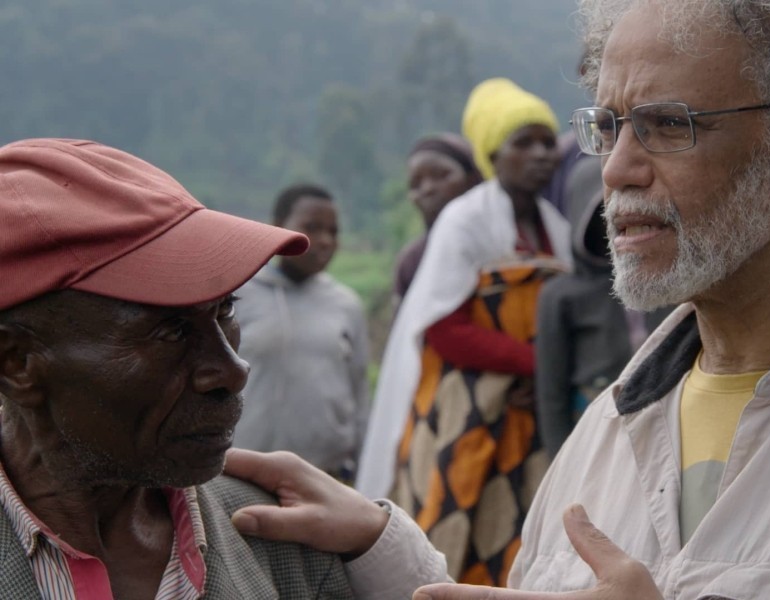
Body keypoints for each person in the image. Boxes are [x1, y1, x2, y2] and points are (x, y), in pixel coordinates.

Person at [223, 0, 770, 597]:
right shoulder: (607, 431)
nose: (615, 169)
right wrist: (384, 554)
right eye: (607, 127)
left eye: (668, 125)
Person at [0, 138, 365, 598]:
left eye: (225, 311)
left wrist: (384, 546)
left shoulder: (288, 545)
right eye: (170, 331)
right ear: (16, 363)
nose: (232, 371)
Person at [356, 78, 573, 585]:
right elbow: (446, 329)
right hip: (466, 409)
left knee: (523, 524)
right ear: (493, 154)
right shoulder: (465, 220)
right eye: (525, 143)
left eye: (547, 141)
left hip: (527, 409)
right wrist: (537, 364)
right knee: (456, 521)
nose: (543, 154)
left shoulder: (554, 225)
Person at [232, 183, 369, 482]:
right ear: (278, 228)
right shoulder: (238, 296)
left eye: (333, 231)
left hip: (326, 478)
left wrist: (362, 464)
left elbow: (359, 392)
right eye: (312, 227)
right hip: (243, 473)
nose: (324, 240)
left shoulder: (346, 305)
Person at [535, 183, 670, 458]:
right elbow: (552, 392)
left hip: (665, 420)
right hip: (592, 427)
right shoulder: (561, 295)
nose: (616, 222)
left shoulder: (665, 278)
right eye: (602, 215)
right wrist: (561, 461)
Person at [394, 134, 483, 304]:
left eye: (441, 175)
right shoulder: (412, 261)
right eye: (415, 184)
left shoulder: (500, 242)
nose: (427, 189)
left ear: (472, 178)